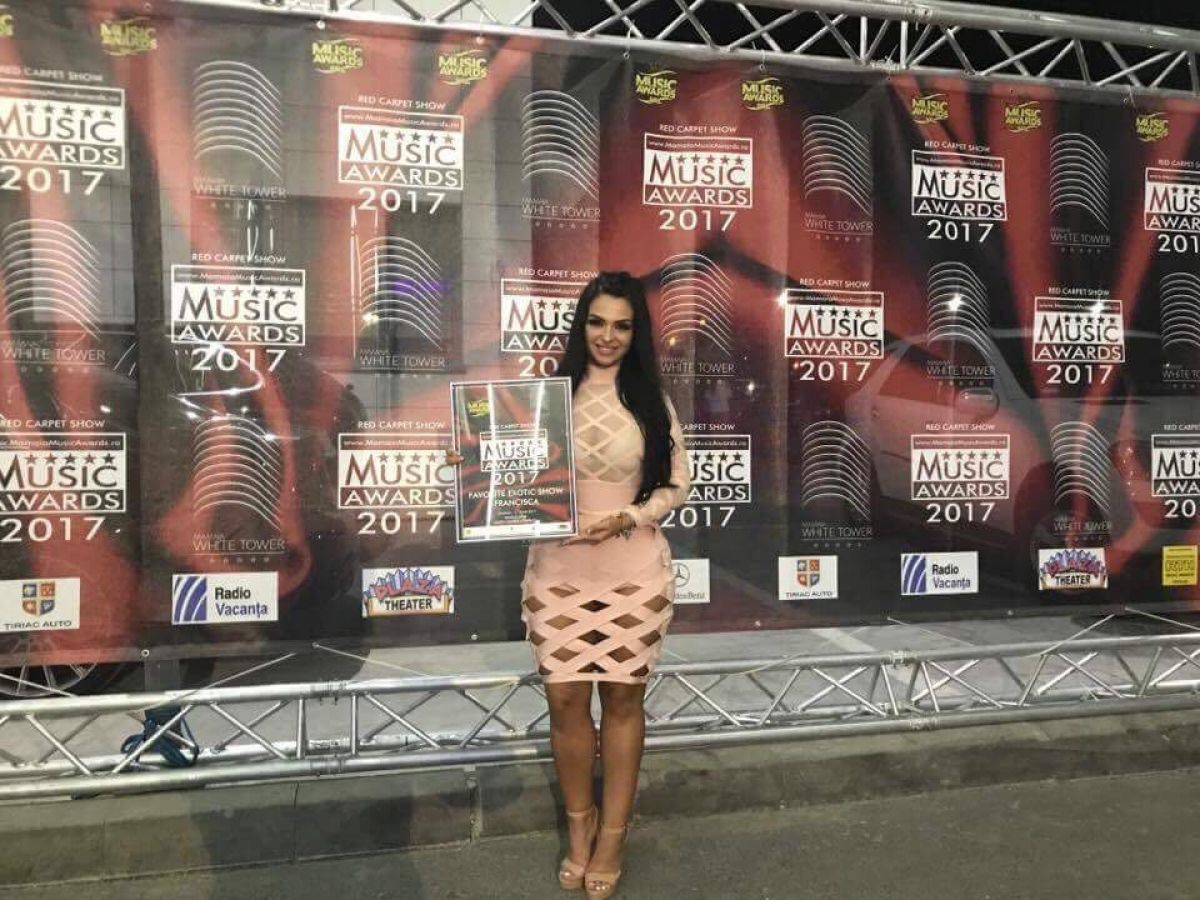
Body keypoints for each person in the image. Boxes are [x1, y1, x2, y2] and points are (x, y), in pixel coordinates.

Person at [448, 271, 689, 898]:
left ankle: (613, 837)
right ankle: (579, 828)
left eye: (622, 325)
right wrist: (471, 461)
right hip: (557, 572)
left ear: (636, 333)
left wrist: (629, 516)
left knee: (623, 702)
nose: (608, 336)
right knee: (564, 702)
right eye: (597, 321)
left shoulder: (651, 402)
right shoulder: (542, 400)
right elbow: (503, 474)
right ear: (581, 325)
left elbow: (675, 484)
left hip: (634, 571)